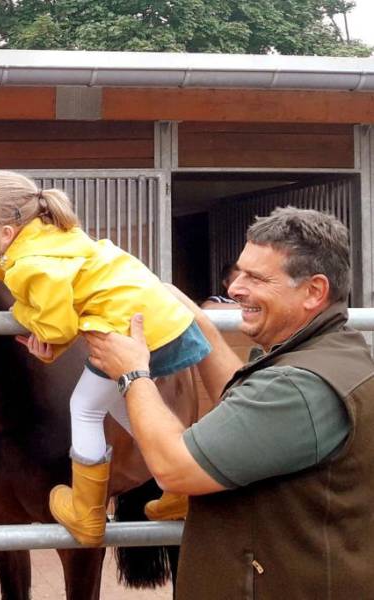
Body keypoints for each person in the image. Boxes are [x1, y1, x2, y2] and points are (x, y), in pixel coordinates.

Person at [85, 206, 374, 598]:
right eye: (239, 272)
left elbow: (174, 468)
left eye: (256, 278)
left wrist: (133, 374)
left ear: (313, 291)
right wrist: (197, 326)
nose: (236, 288)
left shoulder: (299, 386)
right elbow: (246, 416)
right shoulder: (334, 357)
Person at [0, 170, 211, 546]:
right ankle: (177, 490)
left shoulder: (32, 264)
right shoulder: (55, 238)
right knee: (126, 411)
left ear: (7, 234)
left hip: (134, 333)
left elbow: (57, 327)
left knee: (85, 407)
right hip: (163, 324)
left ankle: (87, 512)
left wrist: (23, 320)